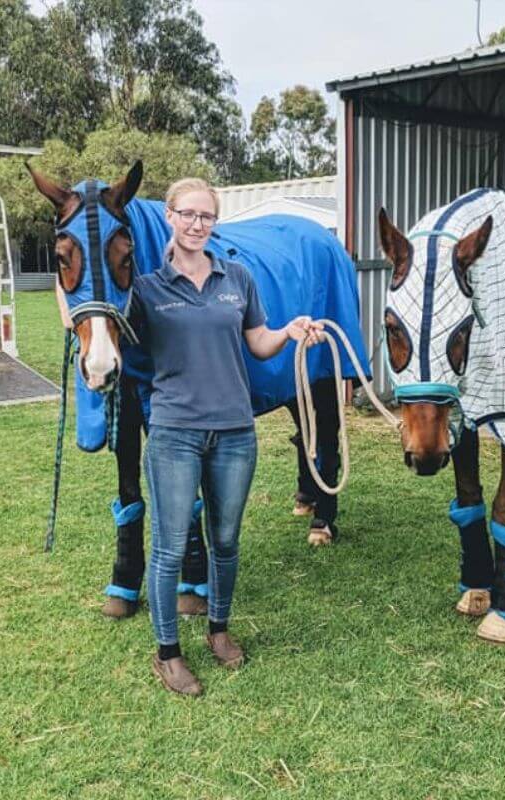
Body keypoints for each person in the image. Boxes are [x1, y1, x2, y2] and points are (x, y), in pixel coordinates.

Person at [131, 178, 323, 696]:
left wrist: (288, 331)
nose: (197, 225)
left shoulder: (236, 277)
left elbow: (258, 343)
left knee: (226, 541)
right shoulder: (146, 290)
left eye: (206, 216)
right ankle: (167, 654)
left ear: (214, 222)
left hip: (236, 432)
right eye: (188, 214)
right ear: (169, 216)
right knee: (170, 548)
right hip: (174, 434)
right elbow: (102, 329)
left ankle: (218, 630)